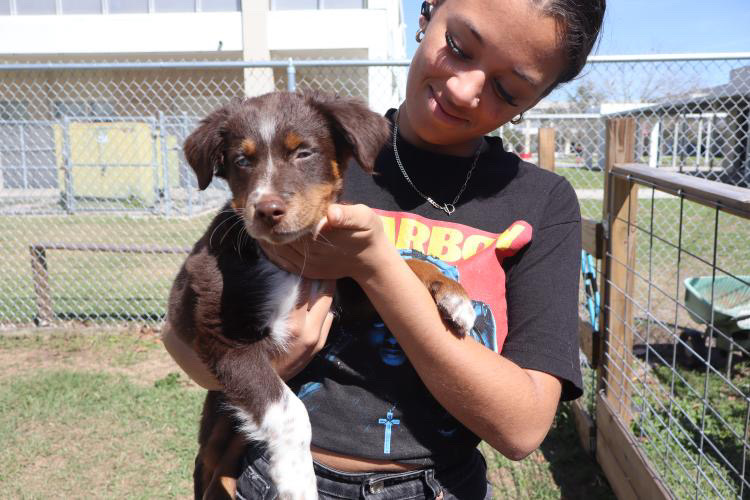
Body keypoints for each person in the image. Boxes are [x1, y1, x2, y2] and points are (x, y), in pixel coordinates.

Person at [162, 0, 606, 497]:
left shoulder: (542, 203)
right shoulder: (324, 158)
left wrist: (378, 266)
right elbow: (190, 334)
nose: (464, 89)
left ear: (538, 96)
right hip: (282, 477)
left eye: (507, 88)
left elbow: (522, 429)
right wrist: (268, 366)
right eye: (459, 47)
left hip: (436, 486)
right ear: (427, 11)